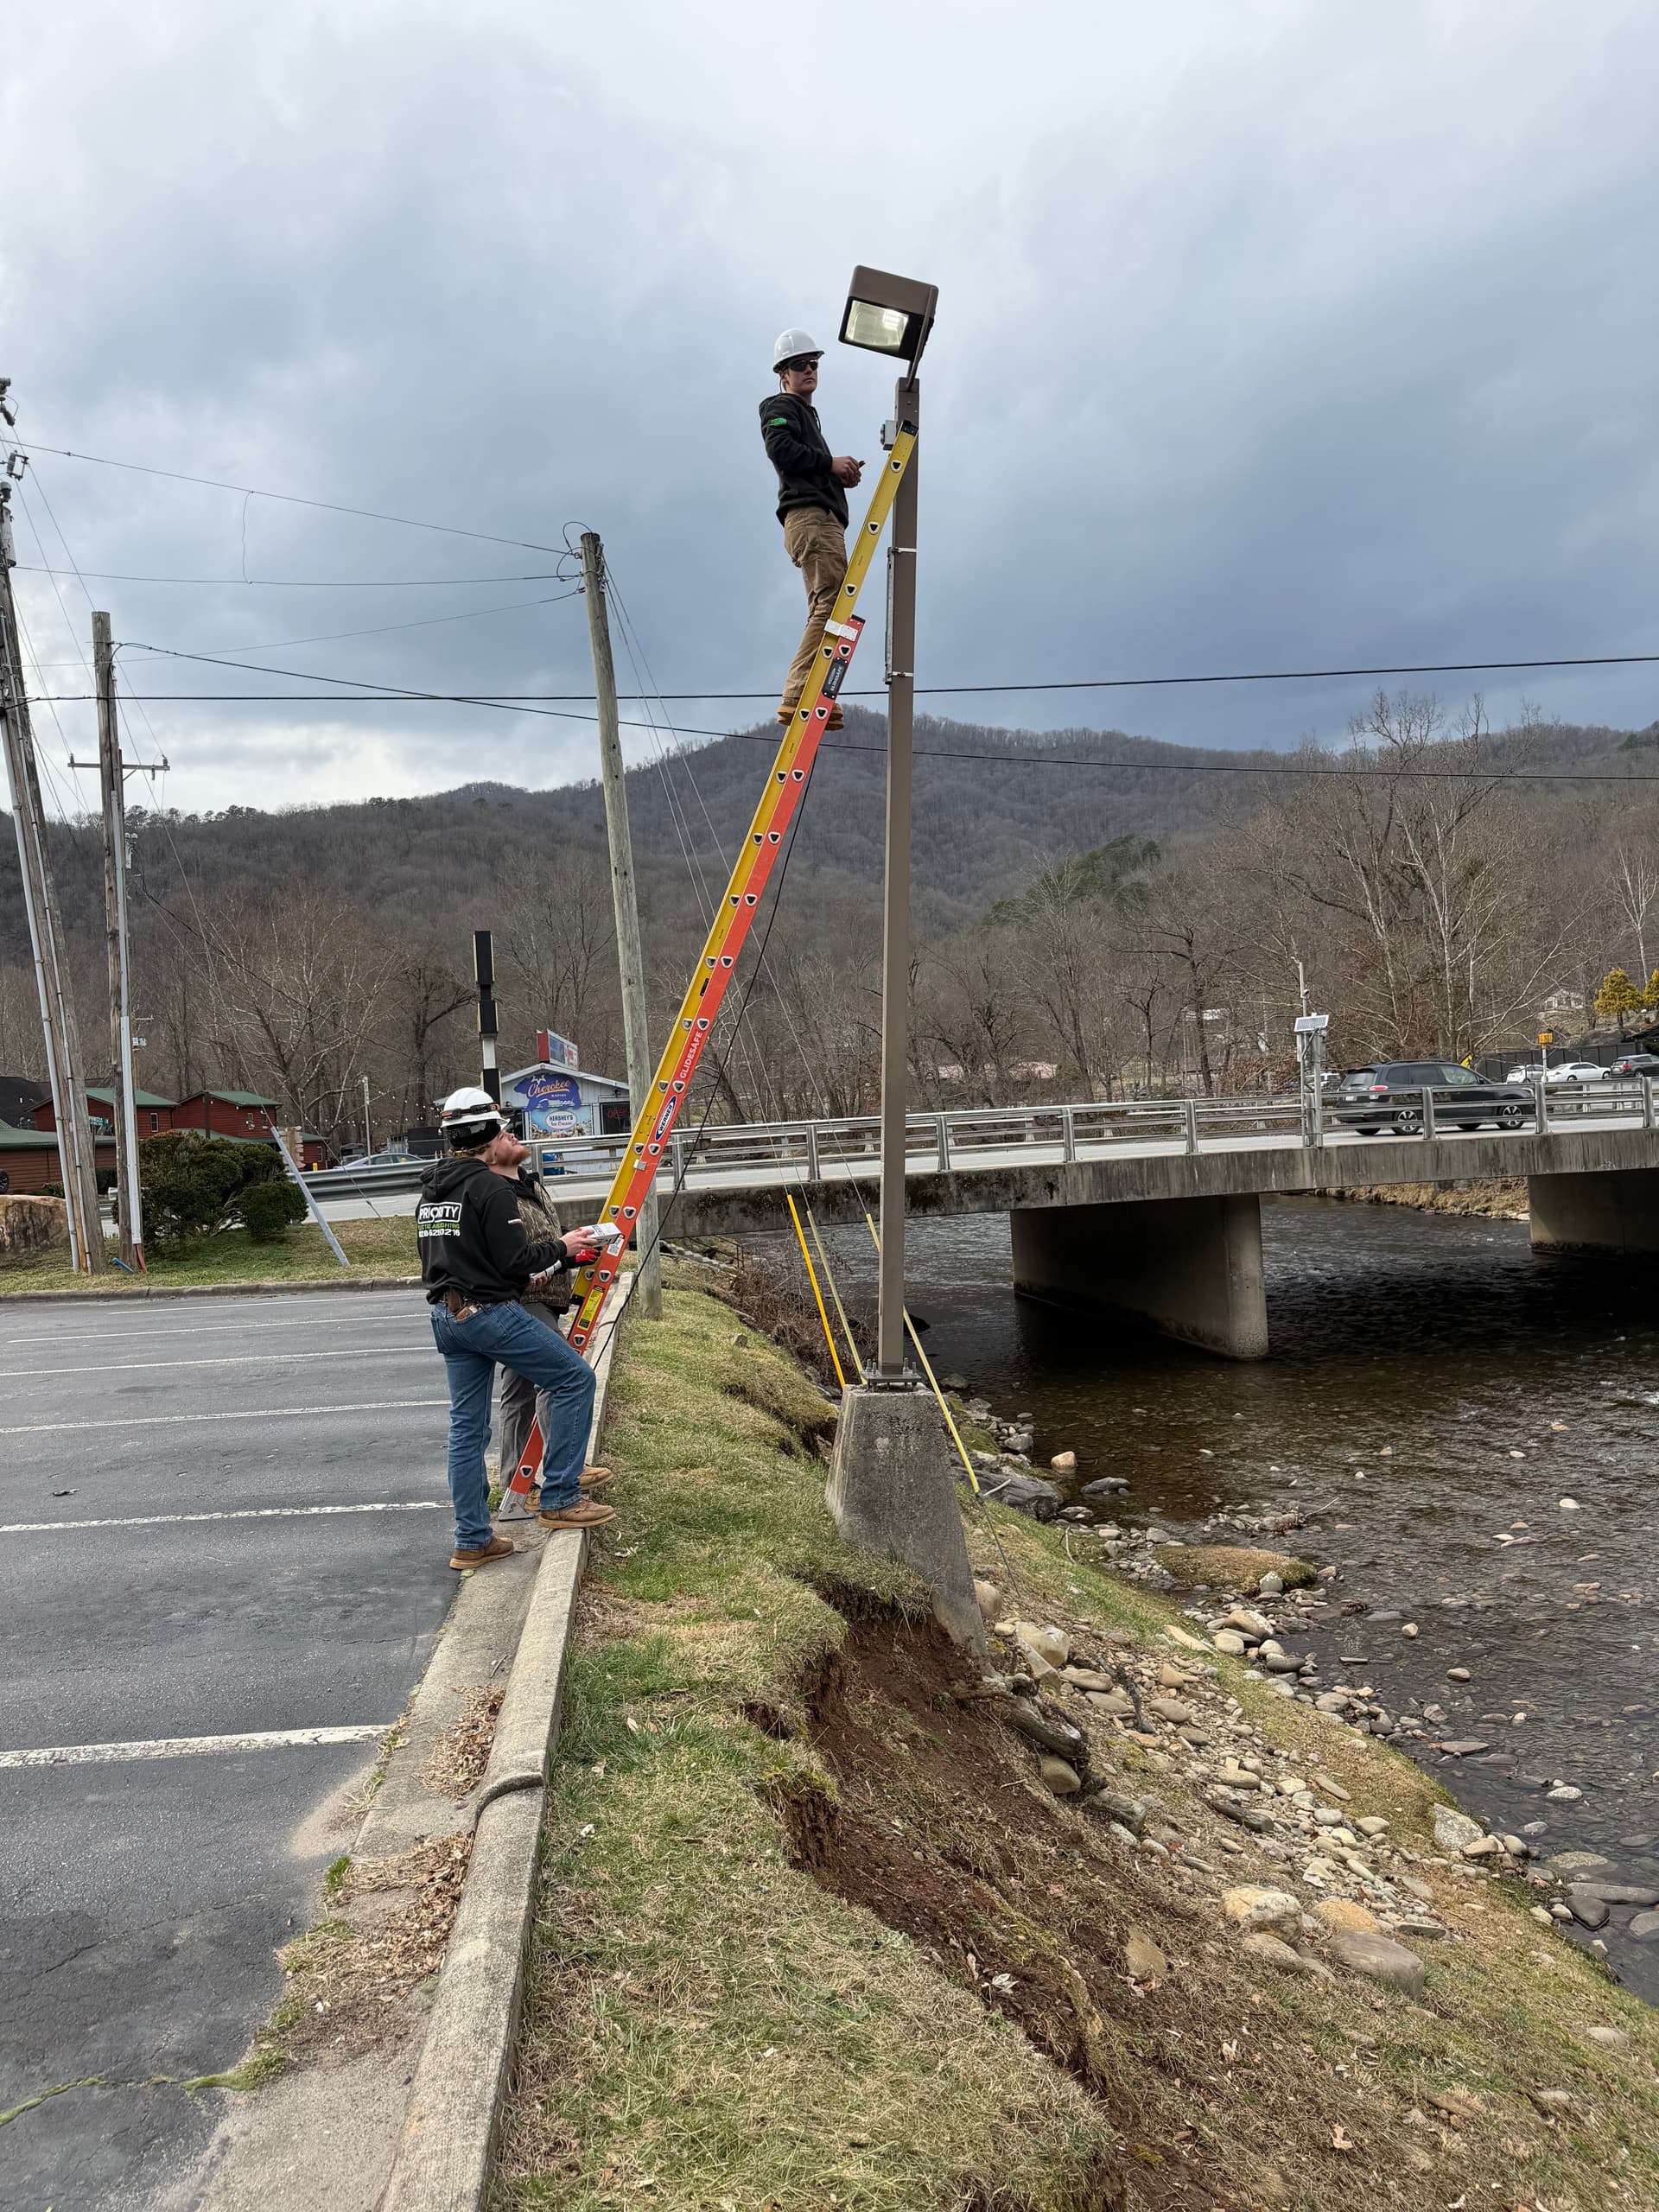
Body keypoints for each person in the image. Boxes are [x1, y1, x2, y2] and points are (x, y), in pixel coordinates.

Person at [417, 1086, 616, 1568]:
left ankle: (472, 1540)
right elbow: (515, 1264)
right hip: (489, 1312)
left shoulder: (431, 1190)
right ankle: (561, 1499)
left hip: (446, 1316)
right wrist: (564, 1247)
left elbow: (435, 1259)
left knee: (467, 1430)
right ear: (488, 1132)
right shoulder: (489, 1186)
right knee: (572, 1378)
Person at [760, 328, 863, 734]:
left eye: (813, 364)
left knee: (826, 604)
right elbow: (781, 449)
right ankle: (800, 690)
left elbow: (803, 458)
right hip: (811, 519)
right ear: (783, 373)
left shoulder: (805, 414)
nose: (809, 370)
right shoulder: (779, 405)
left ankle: (813, 690)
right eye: (800, 365)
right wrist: (829, 464)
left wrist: (838, 475)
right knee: (833, 603)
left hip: (817, 517)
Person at [495, 1152, 577, 1502]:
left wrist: (567, 1254)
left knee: (518, 1392)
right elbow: (515, 1258)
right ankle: (564, 1471)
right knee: (562, 1377)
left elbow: (543, 1240)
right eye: (502, 1134)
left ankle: (516, 1483)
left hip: (546, 1295)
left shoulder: (530, 1185)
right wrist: (559, 1255)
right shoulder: (498, 1194)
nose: (512, 1135)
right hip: (525, 1300)